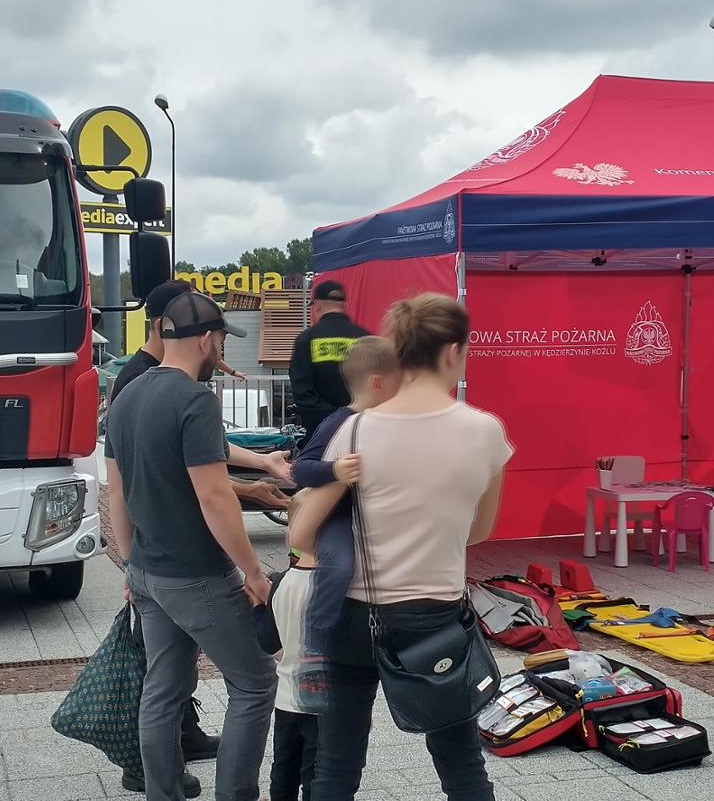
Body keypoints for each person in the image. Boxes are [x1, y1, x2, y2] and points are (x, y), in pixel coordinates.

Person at [296, 293, 509, 801]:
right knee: (461, 763)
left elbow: (302, 531)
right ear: (454, 351)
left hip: (352, 614)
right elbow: (480, 532)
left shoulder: (355, 427)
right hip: (434, 617)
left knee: (336, 763)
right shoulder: (485, 431)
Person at [104, 290, 277, 801]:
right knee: (254, 683)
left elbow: (118, 492)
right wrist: (253, 571)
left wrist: (131, 566)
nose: (222, 350)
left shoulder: (126, 392)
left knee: (163, 690)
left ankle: (163, 794)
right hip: (197, 574)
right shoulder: (195, 399)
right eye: (222, 339)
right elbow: (214, 495)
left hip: (148, 572)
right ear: (206, 338)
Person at [284, 337, 400, 707]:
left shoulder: (389, 422)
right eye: (400, 380)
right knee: (338, 567)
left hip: (374, 516)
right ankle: (313, 649)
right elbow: (300, 470)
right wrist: (334, 470)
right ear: (378, 382)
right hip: (337, 517)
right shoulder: (339, 422)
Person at [116, 280, 292, 510]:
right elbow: (170, 472)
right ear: (165, 326)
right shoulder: (139, 383)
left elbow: (204, 446)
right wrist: (248, 489)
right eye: (193, 316)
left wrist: (264, 461)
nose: (213, 348)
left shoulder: (165, 381)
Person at [266, 544, 320, 801]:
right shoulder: (337, 585)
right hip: (324, 700)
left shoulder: (279, 581)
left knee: (283, 769)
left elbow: (267, 642)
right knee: (316, 773)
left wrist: (258, 606)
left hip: (286, 696)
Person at [289, 281, 370, 436]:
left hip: (322, 432)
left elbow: (302, 392)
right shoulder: (365, 337)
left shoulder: (306, 340)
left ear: (317, 305)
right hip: (361, 428)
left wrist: (331, 419)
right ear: (345, 305)